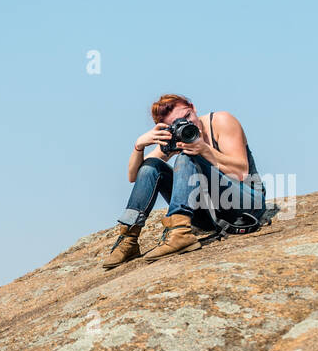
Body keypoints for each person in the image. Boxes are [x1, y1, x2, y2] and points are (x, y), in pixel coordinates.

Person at [102, 94, 267, 269]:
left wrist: (204, 150)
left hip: (246, 205)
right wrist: (139, 146)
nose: (188, 125)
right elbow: (135, 176)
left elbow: (241, 172)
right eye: (178, 124)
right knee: (152, 165)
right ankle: (129, 238)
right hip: (208, 216)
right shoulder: (177, 137)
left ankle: (179, 233)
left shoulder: (220, 121)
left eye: (188, 117)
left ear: (193, 107)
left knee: (187, 156)